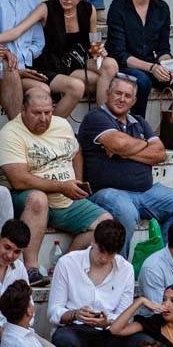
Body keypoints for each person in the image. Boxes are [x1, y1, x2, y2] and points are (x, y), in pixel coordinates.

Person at [77, 74, 173, 257]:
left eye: (127, 96)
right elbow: (120, 144)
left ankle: (161, 261)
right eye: (118, 93)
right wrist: (140, 145)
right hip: (107, 191)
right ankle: (120, 267)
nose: (122, 99)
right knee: (125, 211)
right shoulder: (96, 117)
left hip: (146, 192)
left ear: (134, 100)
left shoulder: (139, 122)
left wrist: (124, 150)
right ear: (107, 93)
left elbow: (160, 153)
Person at [0, 87, 111, 285]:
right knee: (38, 199)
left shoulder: (61, 124)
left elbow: (76, 153)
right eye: (37, 113)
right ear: (23, 110)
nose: (43, 118)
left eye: (47, 112)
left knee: (105, 225)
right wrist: (61, 186)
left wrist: (77, 183)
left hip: (65, 198)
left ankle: (66, 265)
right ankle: (31, 268)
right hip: (26, 197)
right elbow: (18, 179)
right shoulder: (10, 132)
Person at [0, 0, 119, 113]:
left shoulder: (89, 10)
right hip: (51, 65)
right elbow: (17, 31)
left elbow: (94, 46)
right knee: (93, 85)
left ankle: (103, 119)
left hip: (77, 63)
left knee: (111, 65)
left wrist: (99, 50)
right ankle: (52, 128)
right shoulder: (46, 7)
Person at [0, 0, 85, 118]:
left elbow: (39, 42)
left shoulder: (31, 0)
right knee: (11, 69)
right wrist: (9, 56)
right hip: (5, 69)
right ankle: (17, 134)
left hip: (25, 69)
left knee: (44, 90)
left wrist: (25, 56)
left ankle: (43, 136)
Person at [46, 219, 133, 347]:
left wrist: (107, 321)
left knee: (140, 340)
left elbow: (124, 315)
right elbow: (53, 311)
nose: (104, 258)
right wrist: (75, 314)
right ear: (93, 241)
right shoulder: (67, 263)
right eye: (101, 251)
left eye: (110, 254)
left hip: (109, 332)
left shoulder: (126, 269)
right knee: (64, 340)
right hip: (74, 328)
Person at [109, 284, 173, 346]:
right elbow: (115, 330)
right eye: (164, 299)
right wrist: (140, 301)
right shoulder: (153, 324)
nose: (166, 304)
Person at [0, 220, 30, 322]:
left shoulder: (19, 268)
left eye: (17, 252)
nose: (9, 255)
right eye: (7, 247)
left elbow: (28, 307)